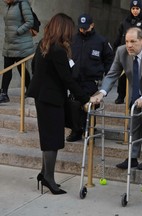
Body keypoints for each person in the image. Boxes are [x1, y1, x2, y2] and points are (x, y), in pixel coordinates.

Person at [26, 13, 98, 195]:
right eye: (70, 29)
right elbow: (68, 80)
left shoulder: (43, 44)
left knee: (50, 138)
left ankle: (44, 174)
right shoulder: (58, 50)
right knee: (53, 139)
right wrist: (85, 98)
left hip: (43, 97)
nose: (72, 33)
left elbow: (34, 67)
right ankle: (49, 178)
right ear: (64, 29)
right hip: (51, 99)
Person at [93, 27, 142, 170]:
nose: (129, 45)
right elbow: (112, 74)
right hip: (136, 91)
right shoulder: (121, 51)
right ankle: (133, 157)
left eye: (133, 41)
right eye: (127, 41)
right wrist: (102, 92)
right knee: (133, 125)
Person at [65, 13, 114, 142]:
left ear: (92, 25)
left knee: (88, 104)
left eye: (85, 27)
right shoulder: (72, 39)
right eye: (81, 27)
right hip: (75, 78)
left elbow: (109, 59)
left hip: (91, 79)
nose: (83, 30)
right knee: (74, 105)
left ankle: (89, 129)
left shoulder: (101, 41)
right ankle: (76, 130)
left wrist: (107, 76)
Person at [113, 0, 142, 104]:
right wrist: (115, 49)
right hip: (126, 52)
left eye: (137, 8)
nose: (135, 11)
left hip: (139, 54)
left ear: (140, 9)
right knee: (123, 75)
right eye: (133, 8)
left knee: (139, 75)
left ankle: (140, 95)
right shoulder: (125, 21)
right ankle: (121, 95)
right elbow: (119, 37)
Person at [0, 0, 34, 103]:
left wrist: (18, 31)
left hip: (21, 44)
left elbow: (30, 21)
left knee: (21, 68)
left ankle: (30, 89)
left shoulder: (22, 3)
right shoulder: (8, 6)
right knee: (7, 68)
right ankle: (4, 93)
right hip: (9, 43)